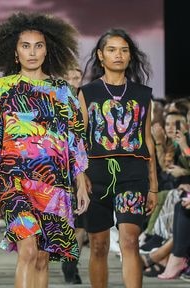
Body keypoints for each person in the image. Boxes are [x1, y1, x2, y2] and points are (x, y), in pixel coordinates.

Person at [0, 12, 90, 288]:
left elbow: (75, 140)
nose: (32, 52)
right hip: (12, 181)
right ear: (14, 51)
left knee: (41, 256)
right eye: (25, 45)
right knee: (27, 250)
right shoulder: (0, 89)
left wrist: (81, 182)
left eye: (38, 45)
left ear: (48, 49)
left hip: (55, 183)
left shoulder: (62, 91)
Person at [78, 28, 158, 288]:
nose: (118, 55)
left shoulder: (143, 94)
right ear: (101, 56)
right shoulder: (87, 93)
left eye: (124, 50)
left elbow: (148, 141)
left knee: (130, 240)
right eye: (111, 50)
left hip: (133, 173)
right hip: (96, 174)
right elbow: (78, 140)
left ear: (130, 56)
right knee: (99, 246)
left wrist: (153, 185)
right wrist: (80, 177)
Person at [60, 65, 86, 284]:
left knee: (82, 222)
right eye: (68, 76)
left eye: (76, 76)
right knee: (67, 219)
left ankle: (71, 263)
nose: (72, 79)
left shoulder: (88, 101)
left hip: (86, 166)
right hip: (59, 168)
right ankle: (67, 258)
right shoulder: (54, 101)